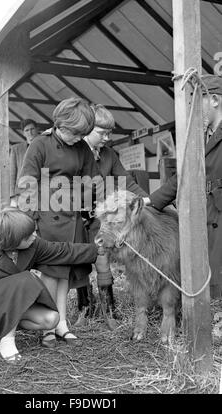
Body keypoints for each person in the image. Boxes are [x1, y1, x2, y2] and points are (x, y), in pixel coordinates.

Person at [0, 207, 99, 364]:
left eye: (33, 231)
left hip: (13, 304)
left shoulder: (32, 245)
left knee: (51, 319)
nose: (34, 236)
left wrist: (97, 249)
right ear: (12, 241)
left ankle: (3, 326)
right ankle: (6, 341)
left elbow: (62, 251)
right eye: (28, 235)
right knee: (24, 279)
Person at [17, 97, 104, 346]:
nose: (79, 139)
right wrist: (30, 220)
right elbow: (27, 184)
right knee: (49, 273)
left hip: (73, 218)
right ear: (61, 125)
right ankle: (48, 326)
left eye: (82, 135)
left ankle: (62, 323)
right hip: (47, 218)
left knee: (65, 271)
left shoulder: (82, 148)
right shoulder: (40, 144)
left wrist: (90, 207)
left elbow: (93, 182)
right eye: (75, 134)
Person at [143, 74, 222, 299]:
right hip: (206, 211)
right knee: (211, 268)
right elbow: (184, 176)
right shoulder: (200, 137)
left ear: (214, 100)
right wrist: (150, 201)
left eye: (197, 101)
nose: (192, 108)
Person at [75, 104, 149, 325]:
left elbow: (126, 181)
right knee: (79, 260)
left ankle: (109, 310)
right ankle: (85, 308)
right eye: (102, 132)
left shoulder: (109, 154)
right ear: (87, 128)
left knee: (102, 258)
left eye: (109, 132)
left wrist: (147, 201)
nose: (107, 137)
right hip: (76, 217)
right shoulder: (75, 151)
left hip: (100, 218)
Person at [10, 119, 40, 207]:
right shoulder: (16, 149)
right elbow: (12, 174)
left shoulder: (44, 146)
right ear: (23, 133)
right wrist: (12, 196)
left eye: (32, 129)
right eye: (27, 130)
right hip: (22, 191)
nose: (30, 132)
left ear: (37, 129)